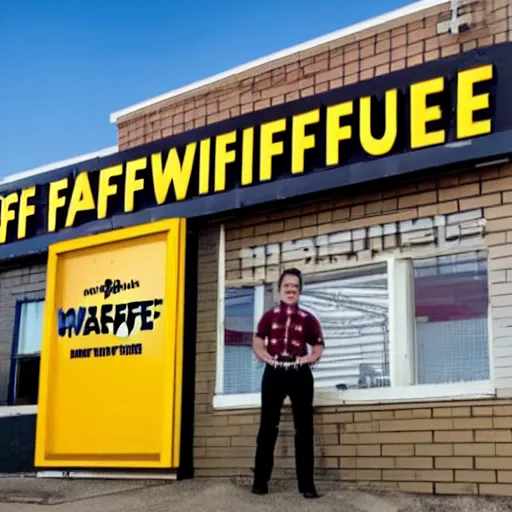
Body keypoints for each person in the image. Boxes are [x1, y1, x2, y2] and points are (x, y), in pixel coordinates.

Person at [251, 267, 324, 499]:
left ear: (299, 291)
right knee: (267, 427)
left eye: (295, 287)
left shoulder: (308, 319)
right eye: (287, 286)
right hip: (274, 372)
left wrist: (309, 358)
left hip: (299, 374)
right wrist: (263, 355)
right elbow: (258, 340)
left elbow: (318, 345)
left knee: (304, 429)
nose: (291, 290)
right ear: (279, 290)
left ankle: (307, 485)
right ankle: (260, 481)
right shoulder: (269, 316)